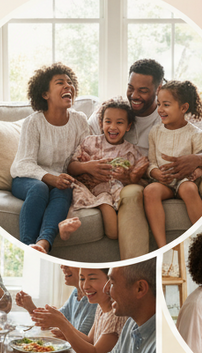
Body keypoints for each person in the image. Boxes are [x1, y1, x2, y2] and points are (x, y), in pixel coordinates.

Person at [94, 59, 202, 260]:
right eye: (131, 88)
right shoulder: (118, 111)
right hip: (146, 179)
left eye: (143, 91)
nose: (134, 96)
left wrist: (195, 161)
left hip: (190, 175)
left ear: (159, 88)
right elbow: (85, 142)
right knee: (131, 194)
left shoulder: (179, 110)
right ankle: (138, 264)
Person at [10, 62, 94, 252]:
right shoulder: (34, 122)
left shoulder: (79, 120)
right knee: (40, 188)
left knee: (65, 189)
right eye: (60, 82)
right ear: (45, 94)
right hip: (27, 179)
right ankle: (27, 245)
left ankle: (43, 244)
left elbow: (85, 153)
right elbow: (23, 164)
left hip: (60, 180)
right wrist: (51, 178)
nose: (68, 86)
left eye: (70, 82)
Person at [58, 97, 147, 243]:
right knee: (73, 191)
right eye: (108, 122)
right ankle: (66, 223)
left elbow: (140, 180)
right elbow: (71, 167)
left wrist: (127, 176)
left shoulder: (131, 151)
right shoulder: (90, 142)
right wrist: (87, 166)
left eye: (119, 122)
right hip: (91, 188)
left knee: (120, 224)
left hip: (114, 193)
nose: (113, 127)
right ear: (101, 123)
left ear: (128, 126)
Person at [143, 80, 202, 249]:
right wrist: (155, 173)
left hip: (184, 181)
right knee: (150, 190)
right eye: (159, 104)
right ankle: (162, 246)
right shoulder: (155, 132)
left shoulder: (196, 134)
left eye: (166, 105)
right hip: (163, 182)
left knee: (189, 188)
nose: (160, 109)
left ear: (183, 108)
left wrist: (197, 172)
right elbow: (152, 162)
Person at [26, 268, 124, 353]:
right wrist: (63, 325)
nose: (85, 286)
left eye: (92, 279)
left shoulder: (116, 315)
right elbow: (90, 340)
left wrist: (63, 325)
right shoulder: (100, 308)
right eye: (82, 279)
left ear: (110, 281)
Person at [16, 265, 96, 335]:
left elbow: (84, 338)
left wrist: (61, 325)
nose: (62, 266)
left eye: (69, 262)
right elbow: (54, 320)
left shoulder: (94, 300)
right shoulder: (75, 292)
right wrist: (31, 308)